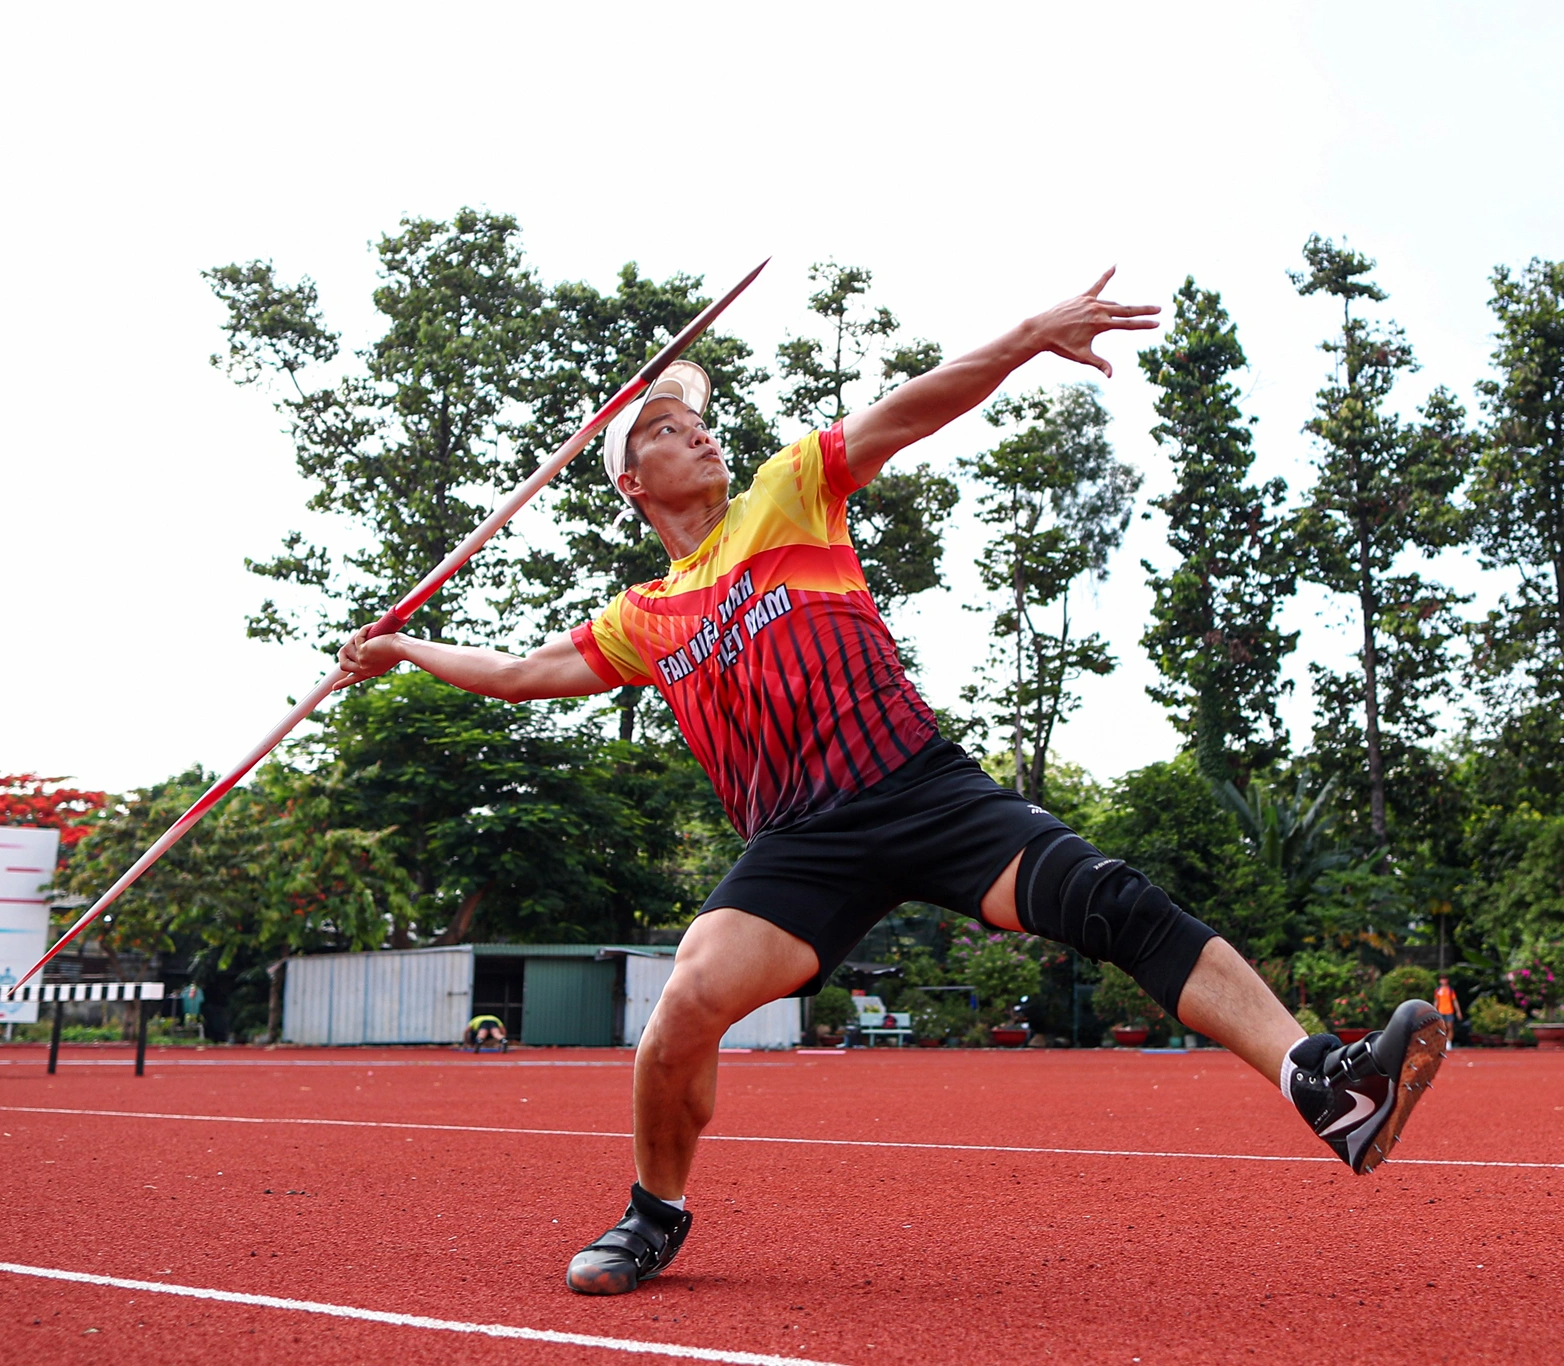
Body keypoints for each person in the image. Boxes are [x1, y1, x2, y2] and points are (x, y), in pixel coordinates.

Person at [338, 270, 1451, 1296]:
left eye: (700, 421)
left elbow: (906, 410)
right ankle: (651, 1212)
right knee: (681, 1010)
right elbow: (526, 672)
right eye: (672, 433)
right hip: (799, 843)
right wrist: (405, 649)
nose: (702, 436)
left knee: (1114, 901)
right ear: (633, 483)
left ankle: (1324, 1085)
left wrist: (1024, 337)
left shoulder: (785, 495)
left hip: (918, 788)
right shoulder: (645, 615)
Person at [1435, 977, 1462, 1050]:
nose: (1443, 981)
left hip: (1449, 1011)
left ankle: (1449, 1042)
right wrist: (1434, 1010)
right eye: (1442, 979)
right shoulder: (1438, 990)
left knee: (1450, 1027)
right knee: (1442, 1028)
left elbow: (1454, 1001)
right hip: (1441, 1011)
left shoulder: (1450, 990)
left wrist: (1458, 1011)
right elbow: (1436, 1001)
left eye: (1445, 979)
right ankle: (1442, 1042)